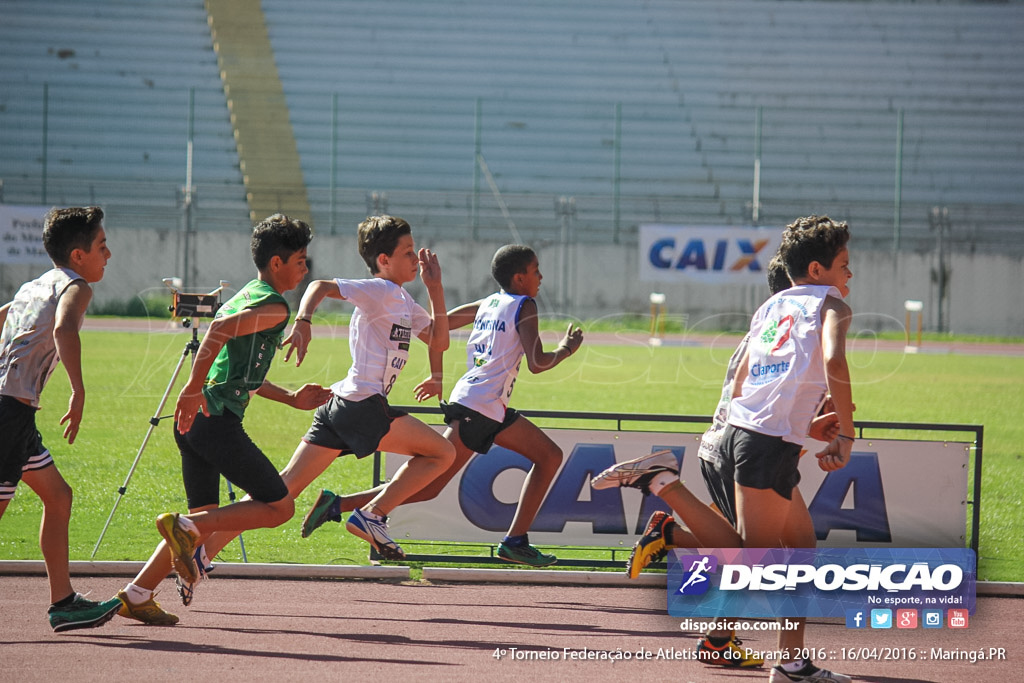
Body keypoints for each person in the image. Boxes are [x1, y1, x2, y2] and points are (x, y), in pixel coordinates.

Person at [592, 216, 854, 683]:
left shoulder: (770, 309)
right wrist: (844, 433)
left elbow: (741, 382)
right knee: (754, 562)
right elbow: (834, 360)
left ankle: (782, 660)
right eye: (844, 264)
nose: (849, 274)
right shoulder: (830, 304)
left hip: (738, 432)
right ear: (817, 270)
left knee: (799, 548)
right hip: (762, 441)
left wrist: (796, 424)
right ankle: (664, 485)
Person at [301, 244, 584, 567]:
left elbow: (441, 325)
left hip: (481, 402)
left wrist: (405, 319)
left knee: (546, 456)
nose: (541, 277)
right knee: (429, 483)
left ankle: (339, 505)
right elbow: (537, 362)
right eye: (536, 271)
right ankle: (514, 541)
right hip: (481, 406)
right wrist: (565, 350)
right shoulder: (526, 305)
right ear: (519, 278)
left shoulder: (488, 302)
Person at [113, 214, 330, 625]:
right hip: (214, 423)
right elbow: (217, 329)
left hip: (196, 424)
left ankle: (138, 593)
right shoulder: (274, 305)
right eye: (301, 260)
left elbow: (244, 372)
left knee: (199, 528)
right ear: (277, 263)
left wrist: (291, 399)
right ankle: (184, 528)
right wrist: (193, 387)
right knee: (281, 506)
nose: (306, 267)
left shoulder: (252, 292)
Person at [256, 214, 454, 562]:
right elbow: (319, 286)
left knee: (281, 490)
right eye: (407, 252)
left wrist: (435, 289)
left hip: (341, 405)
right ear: (383, 260)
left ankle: (199, 537)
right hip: (362, 404)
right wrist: (303, 322)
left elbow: (439, 341)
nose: (415, 259)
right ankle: (372, 514)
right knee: (443, 454)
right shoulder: (380, 290)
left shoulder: (404, 301)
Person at [0, 206, 123, 632]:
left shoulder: (32, 286)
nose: (108, 254)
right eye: (102, 246)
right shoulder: (76, 287)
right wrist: (78, 390)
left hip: (15, 411)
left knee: (59, 496)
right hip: (8, 413)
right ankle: (63, 601)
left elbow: (2, 319)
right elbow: (64, 331)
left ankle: (63, 602)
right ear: (78, 255)